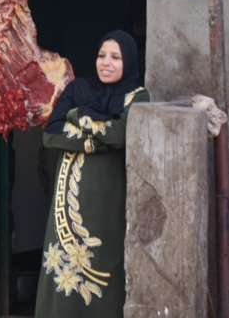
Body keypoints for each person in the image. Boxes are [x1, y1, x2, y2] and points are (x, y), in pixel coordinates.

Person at [34, 30, 150, 318]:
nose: (105, 63)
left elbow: (121, 133)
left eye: (115, 57)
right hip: (67, 201)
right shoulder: (78, 89)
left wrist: (76, 116)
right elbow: (51, 136)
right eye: (101, 56)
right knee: (63, 275)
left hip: (106, 202)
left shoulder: (138, 97)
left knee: (104, 267)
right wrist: (92, 141)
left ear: (130, 61)